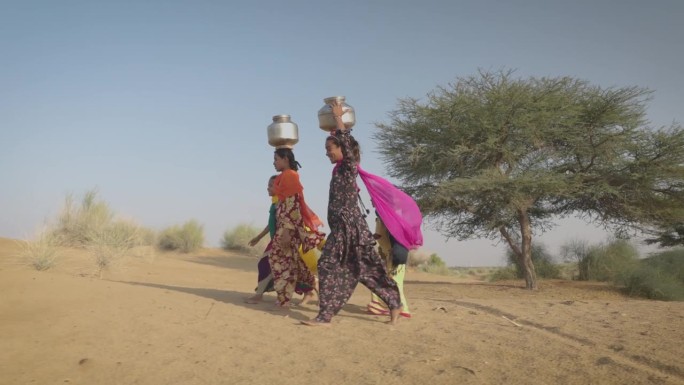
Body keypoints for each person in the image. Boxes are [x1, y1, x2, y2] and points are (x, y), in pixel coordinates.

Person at [302, 100, 402, 327]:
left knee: (328, 264)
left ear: (342, 149)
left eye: (330, 149)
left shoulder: (348, 167)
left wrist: (338, 121)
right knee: (366, 269)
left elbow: (347, 145)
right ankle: (394, 303)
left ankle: (325, 316)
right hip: (343, 228)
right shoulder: (339, 170)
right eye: (326, 149)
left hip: (350, 228)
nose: (327, 153)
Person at [270, 147, 324, 310]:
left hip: (287, 228)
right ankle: (311, 284)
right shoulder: (284, 176)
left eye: (276, 159)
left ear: (285, 159)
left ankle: (284, 299)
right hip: (285, 226)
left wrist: (286, 230)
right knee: (291, 261)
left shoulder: (290, 176)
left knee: (278, 260)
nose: (274, 162)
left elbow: (292, 205)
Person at [367, 215, 411, 318]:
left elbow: (378, 236)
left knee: (394, 282)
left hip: (394, 257)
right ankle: (378, 303)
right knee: (385, 279)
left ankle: (402, 308)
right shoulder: (392, 220)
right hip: (391, 255)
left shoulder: (385, 219)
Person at [244, 175, 278, 304]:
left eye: (271, 185)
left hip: (281, 241)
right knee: (269, 265)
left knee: (265, 263)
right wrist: (258, 237)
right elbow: (271, 224)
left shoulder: (282, 203)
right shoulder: (275, 203)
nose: (267, 188)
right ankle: (259, 294)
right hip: (274, 240)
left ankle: (260, 295)